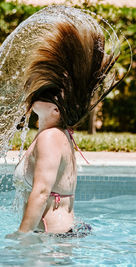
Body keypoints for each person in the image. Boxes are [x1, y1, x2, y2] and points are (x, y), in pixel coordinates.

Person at [11, 9, 121, 237]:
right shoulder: (58, 134)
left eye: (44, 94)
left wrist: (20, 237)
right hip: (58, 239)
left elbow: (41, 192)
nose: (35, 96)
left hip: (53, 243)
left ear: (55, 109)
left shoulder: (50, 138)